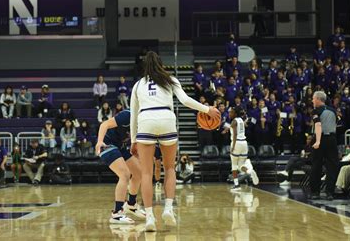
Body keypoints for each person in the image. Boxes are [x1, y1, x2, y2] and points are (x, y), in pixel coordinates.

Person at [129, 51, 219, 231]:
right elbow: (185, 100)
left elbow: (133, 115)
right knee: (169, 167)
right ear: (162, 64)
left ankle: (149, 218)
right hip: (167, 119)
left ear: (144, 66)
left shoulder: (138, 85)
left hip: (145, 120)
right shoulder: (170, 80)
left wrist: (133, 139)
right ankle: (168, 208)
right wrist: (207, 109)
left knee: (146, 173)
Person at [95, 110, 145, 224]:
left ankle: (131, 205)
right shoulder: (128, 115)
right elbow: (105, 124)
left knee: (139, 172)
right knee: (125, 174)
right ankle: (116, 213)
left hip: (120, 146)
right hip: (107, 144)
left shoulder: (146, 122)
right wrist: (99, 142)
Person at [309, 91, 339, 200]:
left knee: (316, 165)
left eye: (313, 98)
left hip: (320, 138)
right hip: (332, 139)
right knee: (332, 166)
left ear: (318, 99)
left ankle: (315, 192)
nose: (312, 100)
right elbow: (337, 123)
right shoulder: (333, 110)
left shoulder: (316, 111)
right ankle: (330, 192)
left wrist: (317, 141)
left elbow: (317, 125)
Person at [229, 106, 259, 191]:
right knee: (241, 165)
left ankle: (236, 185)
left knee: (234, 165)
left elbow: (234, 135)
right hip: (244, 143)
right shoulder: (241, 120)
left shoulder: (234, 121)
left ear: (235, 113)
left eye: (231, 112)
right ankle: (249, 170)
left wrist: (233, 147)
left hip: (237, 143)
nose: (229, 113)